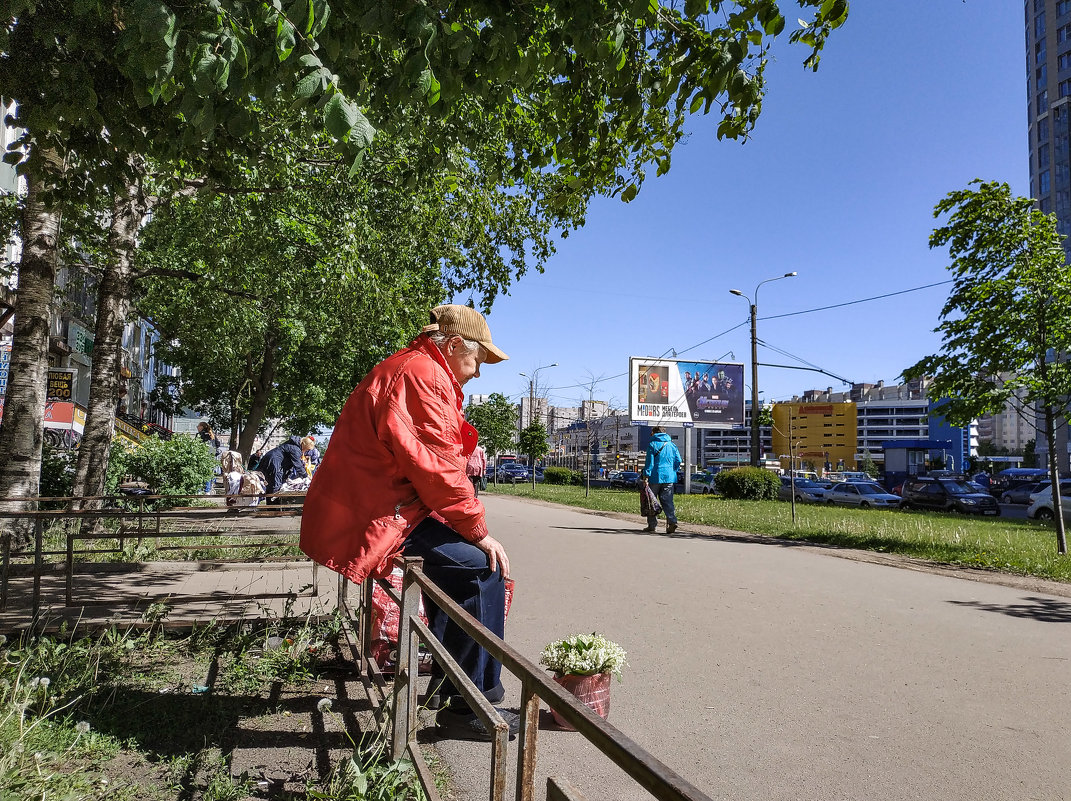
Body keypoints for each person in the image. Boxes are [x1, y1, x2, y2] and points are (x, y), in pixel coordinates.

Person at [300, 304, 516, 741]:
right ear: (454, 346)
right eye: (478, 360)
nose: (478, 373)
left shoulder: (411, 367)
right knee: (482, 569)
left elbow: (432, 464)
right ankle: (474, 705)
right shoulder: (423, 374)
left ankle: (444, 681)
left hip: (381, 505)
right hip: (382, 511)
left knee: (455, 569)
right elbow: (437, 468)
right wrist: (479, 531)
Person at [642, 426, 682, 534]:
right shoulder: (672, 445)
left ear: (654, 433)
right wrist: (673, 470)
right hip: (669, 477)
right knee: (668, 501)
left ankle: (652, 525)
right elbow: (679, 460)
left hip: (655, 477)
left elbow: (649, 463)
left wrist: (646, 476)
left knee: (651, 501)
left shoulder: (652, 444)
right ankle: (672, 522)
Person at [258, 435, 310, 502]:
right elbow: (298, 465)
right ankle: (274, 509)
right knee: (275, 485)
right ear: (305, 445)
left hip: (271, 460)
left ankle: (271, 508)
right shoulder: (295, 449)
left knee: (270, 484)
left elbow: (290, 464)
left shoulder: (292, 445)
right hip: (274, 462)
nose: (307, 451)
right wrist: (306, 476)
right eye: (308, 449)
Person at [196, 422, 220, 493]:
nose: (197, 427)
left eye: (198, 426)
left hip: (202, 456)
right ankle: (208, 490)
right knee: (209, 473)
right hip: (211, 456)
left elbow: (196, 445)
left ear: (201, 427)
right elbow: (218, 444)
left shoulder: (199, 435)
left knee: (200, 473)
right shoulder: (212, 435)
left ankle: (199, 491)